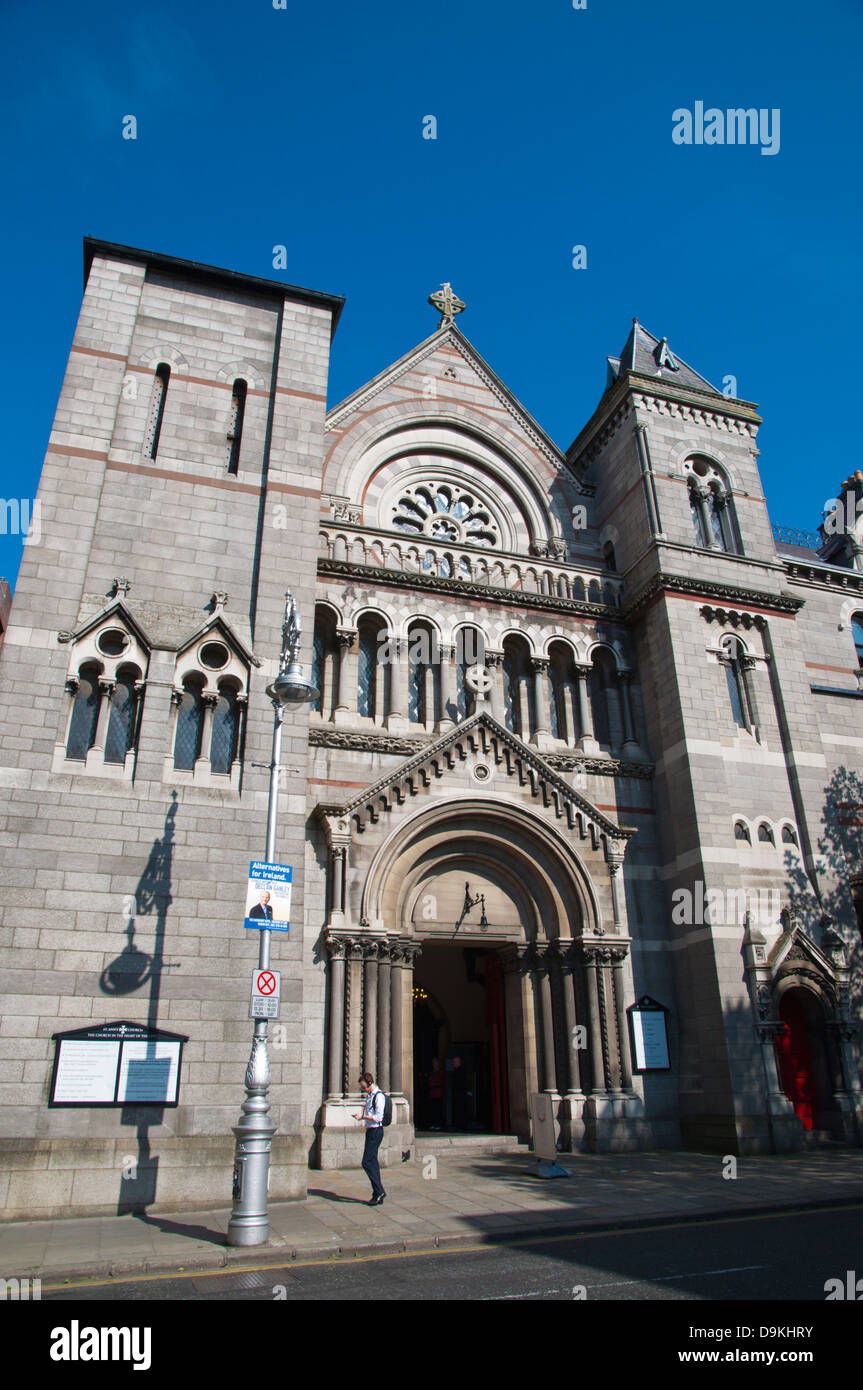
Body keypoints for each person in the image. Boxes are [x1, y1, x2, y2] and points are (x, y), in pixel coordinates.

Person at [353, 1071, 386, 1205]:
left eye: (364, 1086)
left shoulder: (379, 1096)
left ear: (370, 1083)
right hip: (371, 1131)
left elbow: (379, 1117)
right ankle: (377, 1193)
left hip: (376, 1131)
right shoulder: (370, 1096)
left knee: (366, 1162)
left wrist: (363, 1117)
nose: (363, 1089)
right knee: (372, 1162)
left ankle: (380, 1191)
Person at [451, 1055, 469, 1131]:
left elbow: (461, 1083)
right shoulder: (456, 1071)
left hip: (460, 1094)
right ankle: (459, 1125)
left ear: (459, 1063)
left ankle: (461, 1125)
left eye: (454, 1062)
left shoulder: (460, 1071)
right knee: (458, 1109)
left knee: (460, 1110)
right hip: (458, 1094)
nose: (453, 1063)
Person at [427, 1058, 445, 1130]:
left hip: (438, 1093)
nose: (434, 1065)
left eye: (435, 1063)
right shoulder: (432, 1073)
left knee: (438, 1110)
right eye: (433, 1064)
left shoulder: (440, 1073)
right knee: (433, 1110)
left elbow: (441, 1082)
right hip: (433, 1093)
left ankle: (438, 1124)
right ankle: (433, 1123)